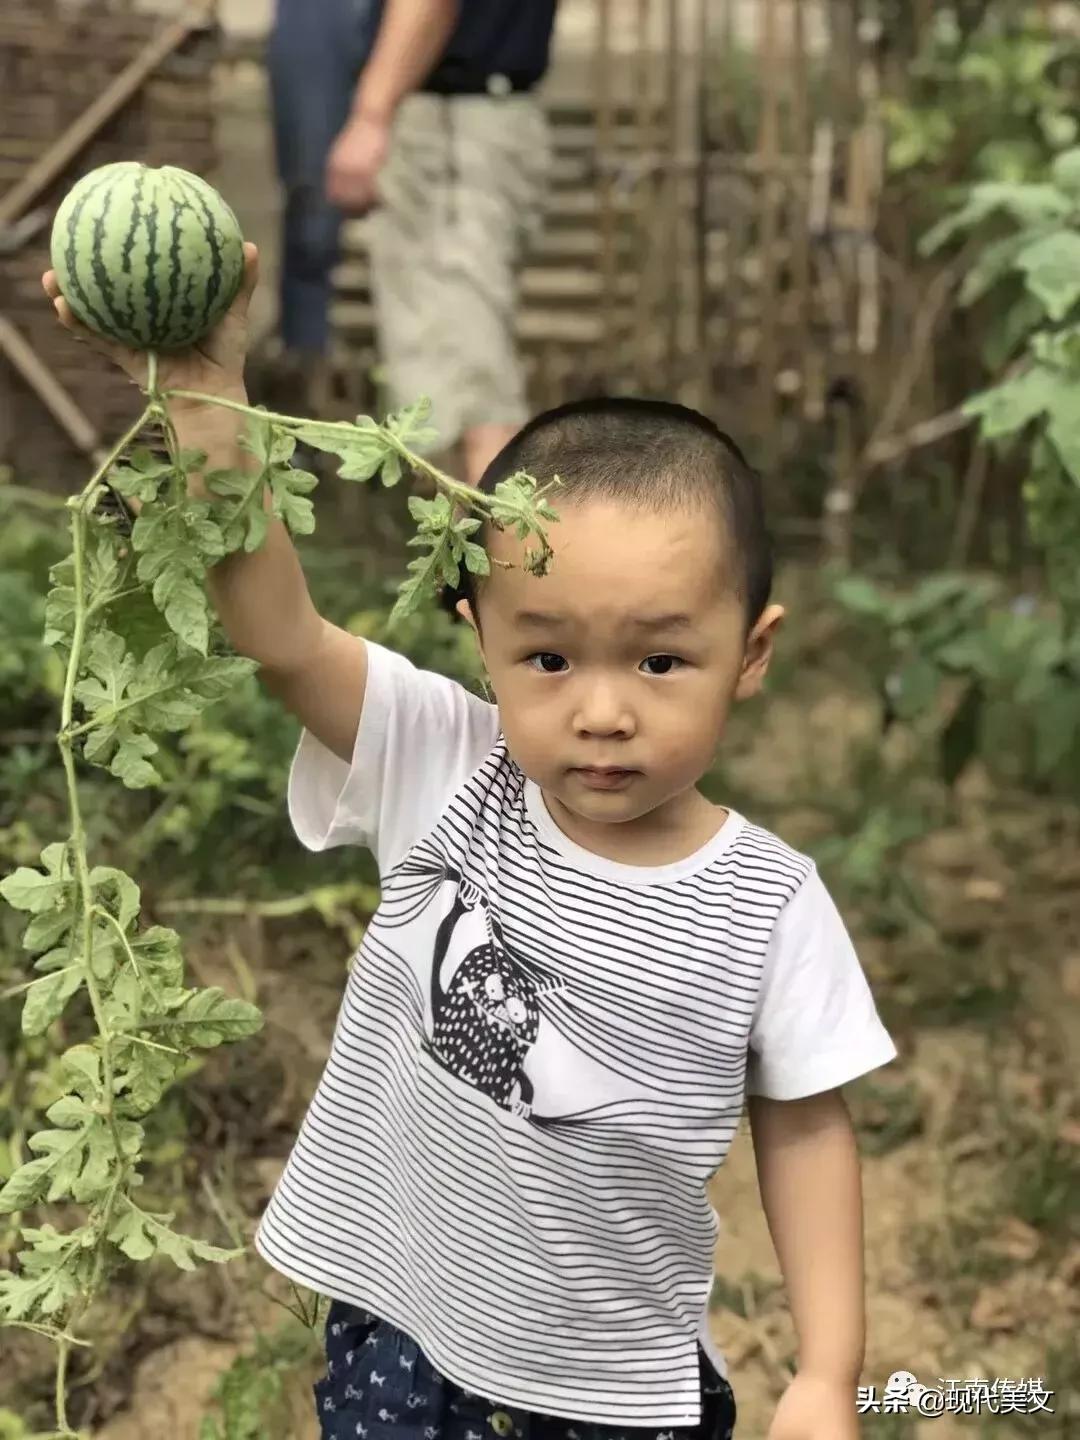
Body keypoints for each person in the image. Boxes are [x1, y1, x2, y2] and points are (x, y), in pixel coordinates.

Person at [44, 249, 897, 1440]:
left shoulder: (768, 902)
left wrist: (826, 1373)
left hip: (610, 1379)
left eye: (660, 659)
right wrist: (199, 393)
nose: (602, 711)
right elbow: (284, 637)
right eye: (547, 657)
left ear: (750, 655)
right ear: (480, 634)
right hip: (401, 1324)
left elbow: (806, 1126)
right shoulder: (445, 761)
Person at [269, 0, 557, 483]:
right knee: (455, 383)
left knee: (471, 392)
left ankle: (510, 556)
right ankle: (471, 554)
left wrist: (370, 116)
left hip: (454, 131)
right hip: (486, 117)